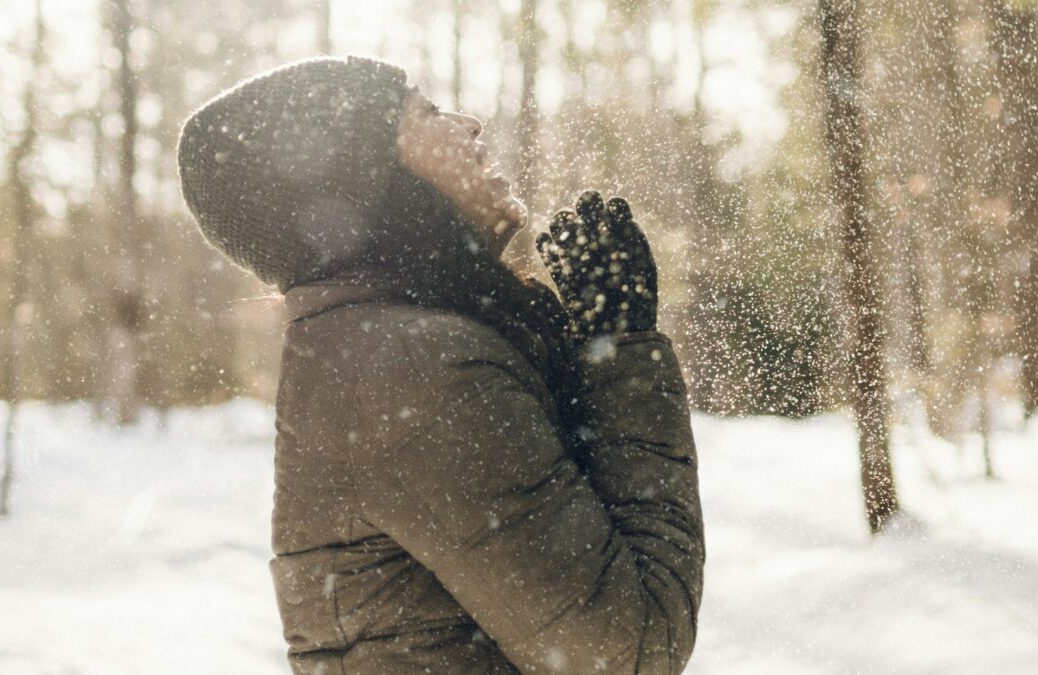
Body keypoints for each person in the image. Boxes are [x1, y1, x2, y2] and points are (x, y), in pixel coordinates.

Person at [177, 55, 704, 674]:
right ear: (367, 180)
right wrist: (623, 353)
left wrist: (598, 352)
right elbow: (631, 646)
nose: (469, 123)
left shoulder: (381, 347)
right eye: (426, 113)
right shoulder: (408, 369)